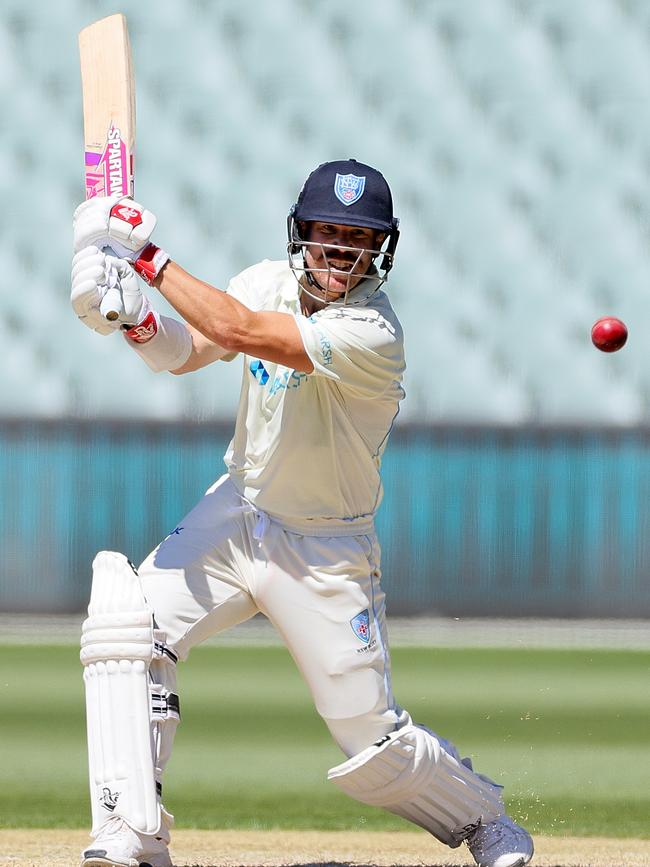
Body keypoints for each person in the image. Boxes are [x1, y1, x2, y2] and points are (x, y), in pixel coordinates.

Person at [71, 159, 534, 867]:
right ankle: (130, 828)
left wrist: (143, 256)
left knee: (369, 742)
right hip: (238, 511)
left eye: (359, 237)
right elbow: (188, 350)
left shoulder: (372, 332)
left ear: (381, 248)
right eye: (329, 232)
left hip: (325, 547)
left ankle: (484, 817)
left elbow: (245, 330)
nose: (341, 251)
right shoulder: (265, 282)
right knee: (127, 629)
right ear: (303, 233)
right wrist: (132, 316)